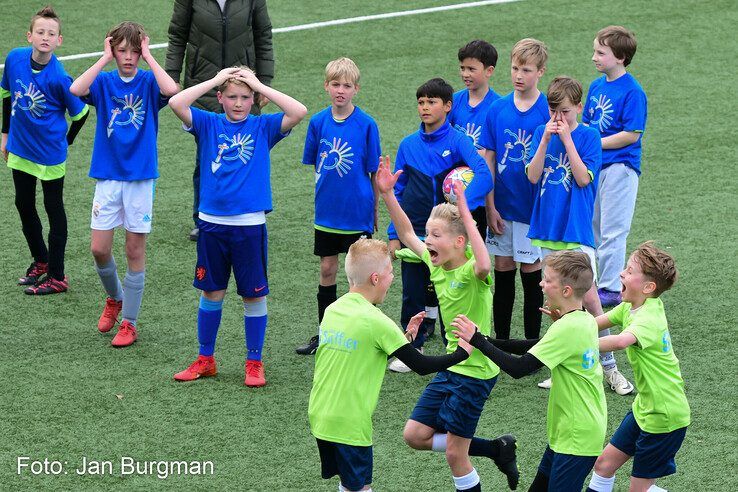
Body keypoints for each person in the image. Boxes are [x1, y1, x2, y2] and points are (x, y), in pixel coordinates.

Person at [378, 159, 518, 492]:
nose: (428, 239)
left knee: (456, 454)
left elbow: (485, 263)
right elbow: (408, 233)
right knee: (414, 436)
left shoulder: (472, 271)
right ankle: (497, 448)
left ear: (459, 242)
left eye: (436, 234)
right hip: (453, 366)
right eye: (430, 232)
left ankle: (491, 453)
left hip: (476, 372)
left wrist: (466, 210)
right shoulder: (435, 263)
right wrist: (387, 195)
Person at [168, 66, 307, 387]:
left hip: (249, 226)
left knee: (253, 296)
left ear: (254, 99)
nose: (239, 103)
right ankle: (205, 359)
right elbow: (177, 103)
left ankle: (254, 362)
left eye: (245, 97)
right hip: (212, 225)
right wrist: (216, 79)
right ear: (220, 98)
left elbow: (298, 111)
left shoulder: (263, 126)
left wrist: (259, 85)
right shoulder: (208, 123)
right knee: (211, 291)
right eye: (231, 96)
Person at [308, 238, 475, 492]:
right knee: (359, 487)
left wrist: (406, 337)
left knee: (348, 482)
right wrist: (462, 353)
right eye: (390, 272)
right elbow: (420, 365)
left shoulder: (333, 310)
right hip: (349, 423)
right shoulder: (376, 321)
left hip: (321, 415)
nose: (392, 278)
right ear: (375, 279)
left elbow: (365, 350)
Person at [452, 250, 607, 491]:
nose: (541, 284)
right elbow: (533, 347)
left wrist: (479, 342)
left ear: (566, 291)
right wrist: (483, 339)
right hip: (569, 432)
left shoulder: (566, 328)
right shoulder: (582, 318)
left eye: (547, 280)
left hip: (577, 437)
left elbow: (519, 367)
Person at [70, 22, 179, 347]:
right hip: (108, 177)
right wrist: (103, 58)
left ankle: (129, 322)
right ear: (113, 50)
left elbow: (171, 90)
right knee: (99, 248)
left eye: (134, 51)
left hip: (140, 180)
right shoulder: (103, 83)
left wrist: (149, 55)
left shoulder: (147, 81)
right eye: (122, 50)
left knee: (134, 251)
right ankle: (115, 298)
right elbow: (76, 89)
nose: (128, 57)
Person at [526, 76, 634, 395]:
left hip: (576, 232)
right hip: (547, 229)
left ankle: (611, 368)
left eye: (565, 112)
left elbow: (583, 179)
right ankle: (562, 366)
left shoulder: (588, 136)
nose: (558, 119)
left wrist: (568, 139)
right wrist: (545, 140)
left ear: (579, 108)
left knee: (589, 301)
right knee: (556, 301)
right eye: (553, 111)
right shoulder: (540, 133)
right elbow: (532, 176)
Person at [387, 78, 493, 373]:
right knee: (412, 291)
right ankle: (413, 347)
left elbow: (484, 176)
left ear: (447, 106)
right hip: (415, 229)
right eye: (421, 102)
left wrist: (462, 204)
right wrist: (394, 233)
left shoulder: (459, 141)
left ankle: (458, 345)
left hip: (448, 232)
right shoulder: (408, 145)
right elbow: (398, 189)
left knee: (453, 291)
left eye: (431, 102)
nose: (425, 107)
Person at [165, 0, 274, 241]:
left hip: (244, 87)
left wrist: (263, 82)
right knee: (207, 153)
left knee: (248, 151)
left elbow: (263, 34)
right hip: (203, 84)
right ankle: (201, 217)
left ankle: (249, 211)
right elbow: (177, 34)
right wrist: (171, 77)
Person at [586, 242, 689, 492]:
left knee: (638, 489)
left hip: (664, 415)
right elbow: (592, 324)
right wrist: (569, 324)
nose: (622, 273)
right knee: (603, 465)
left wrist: (578, 344)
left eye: (629, 271)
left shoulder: (648, 319)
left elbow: (621, 341)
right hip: (644, 408)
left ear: (648, 287)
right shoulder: (631, 307)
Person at [295, 57, 381, 356]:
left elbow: (373, 173)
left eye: (347, 85)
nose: (340, 90)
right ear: (326, 86)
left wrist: (374, 213)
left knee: (361, 275)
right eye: (335, 84)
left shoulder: (367, 125)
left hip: (357, 213)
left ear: (356, 89)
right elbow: (315, 166)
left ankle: (363, 334)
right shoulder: (318, 122)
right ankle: (326, 332)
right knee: (328, 268)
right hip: (327, 213)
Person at [1, 6, 89, 295]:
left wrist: (67, 141)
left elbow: (81, 113)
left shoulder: (60, 78)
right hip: (19, 147)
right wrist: (5, 134)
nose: (45, 37)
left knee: (54, 209)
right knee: (23, 204)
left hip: (50, 155)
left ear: (59, 40)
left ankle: (57, 275)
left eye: (51, 34)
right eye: (40, 32)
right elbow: (5, 94)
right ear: (30, 35)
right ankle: (40, 261)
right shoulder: (14, 59)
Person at [479, 38, 549, 340]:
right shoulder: (497, 109)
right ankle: (503, 342)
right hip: (502, 208)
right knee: (503, 269)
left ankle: (532, 345)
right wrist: (490, 206)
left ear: (541, 72)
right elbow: (489, 158)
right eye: (515, 68)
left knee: (531, 273)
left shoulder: (547, 109)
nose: (519, 75)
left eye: (527, 70)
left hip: (533, 210)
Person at [584, 26, 648, 308]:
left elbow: (632, 134)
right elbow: (587, 123)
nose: (594, 57)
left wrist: (595, 145)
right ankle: (598, 281)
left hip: (620, 168)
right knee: (595, 226)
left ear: (620, 57)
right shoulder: (596, 86)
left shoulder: (633, 92)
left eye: (601, 52)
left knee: (613, 228)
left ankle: (610, 286)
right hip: (598, 168)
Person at [448, 39, 500, 239]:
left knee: (474, 249)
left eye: (471, 69)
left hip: (478, 193)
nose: (465, 74)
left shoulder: (497, 107)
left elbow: (492, 158)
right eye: (462, 68)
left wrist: (490, 207)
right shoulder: (454, 101)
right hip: (452, 189)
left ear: (489, 71)